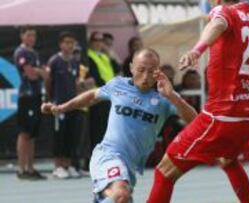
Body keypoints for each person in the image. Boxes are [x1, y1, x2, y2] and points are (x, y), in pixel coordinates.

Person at [146, 0, 249, 203]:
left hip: (223, 114)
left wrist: (196, 51)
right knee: (228, 160)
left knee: (164, 172)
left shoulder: (224, 11)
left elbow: (217, 24)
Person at [41, 48, 197, 203]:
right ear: (131, 67)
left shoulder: (165, 96)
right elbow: (91, 96)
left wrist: (172, 97)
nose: (145, 77)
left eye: (152, 71)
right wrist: (61, 107)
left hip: (130, 166)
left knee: (121, 198)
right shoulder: (118, 85)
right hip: (108, 154)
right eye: (141, 70)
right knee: (121, 195)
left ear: (158, 71)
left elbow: (196, 121)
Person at [45, 32, 82, 179]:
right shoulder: (54, 61)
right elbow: (48, 81)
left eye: (71, 43)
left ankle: (68, 165)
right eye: (66, 43)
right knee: (59, 136)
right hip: (58, 106)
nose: (69, 46)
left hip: (72, 104)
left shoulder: (75, 61)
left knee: (70, 135)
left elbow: (76, 82)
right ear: (61, 44)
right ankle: (58, 167)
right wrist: (52, 100)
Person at [14, 26, 47, 180]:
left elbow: (41, 74)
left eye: (34, 35)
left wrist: (40, 71)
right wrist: (40, 71)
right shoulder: (21, 53)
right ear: (22, 36)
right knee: (24, 132)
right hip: (26, 97)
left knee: (32, 134)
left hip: (36, 96)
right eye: (28, 35)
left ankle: (30, 168)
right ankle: (21, 170)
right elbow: (32, 75)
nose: (31, 38)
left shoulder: (33, 53)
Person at [87, 32, 116, 157]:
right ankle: (94, 157)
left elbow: (116, 69)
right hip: (98, 96)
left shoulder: (104, 56)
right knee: (96, 129)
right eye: (96, 40)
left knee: (106, 128)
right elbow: (96, 77)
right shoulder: (89, 56)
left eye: (101, 41)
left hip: (108, 96)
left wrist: (110, 54)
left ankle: (104, 156)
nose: (99, 43)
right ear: (91, 42)